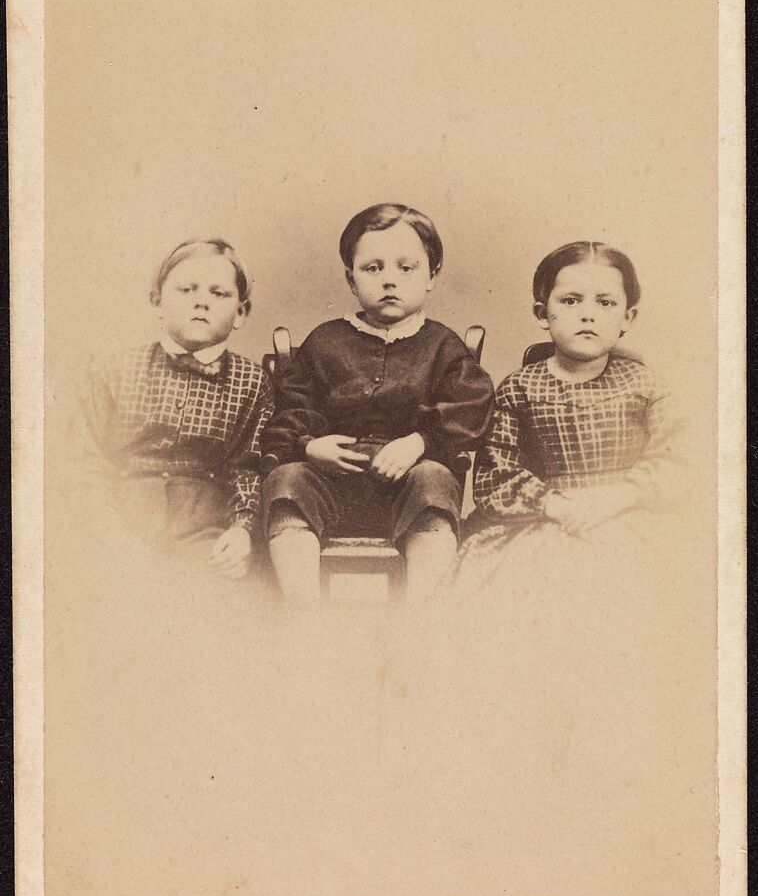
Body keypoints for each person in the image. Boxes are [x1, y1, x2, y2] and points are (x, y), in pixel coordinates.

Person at [260, 203, 494, 604]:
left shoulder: (443, 346)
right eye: (373, 268)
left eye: (406, 268)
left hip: (409, 485)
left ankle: (421, 614)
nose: (389, 281)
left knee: (435, 480)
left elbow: (469, 407)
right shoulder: (324, 342)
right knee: (286, 482)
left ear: (431, 276)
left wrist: (419, 442)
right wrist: (309, 446)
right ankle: (303, 612)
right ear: (351, 280)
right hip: (331, 485)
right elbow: (293, 407)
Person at [452, 241, 691, 605]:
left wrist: (620, 496)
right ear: (542, 312)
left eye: (606, 302)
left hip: (626, 514)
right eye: (570, 301)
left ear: (628, 317)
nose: (588, 315)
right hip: (544, 519)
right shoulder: (520, 387)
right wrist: (555, 505)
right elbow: (494, 475)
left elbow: (675, 460)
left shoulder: (646, 384)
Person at [74, 238, 274, 580]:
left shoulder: (252, 381)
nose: (201, 302)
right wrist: (106, 532)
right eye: (186, 289)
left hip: (206, 525)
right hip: (122, 516)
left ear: (241, 312)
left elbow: (248, 468)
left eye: (218, 293)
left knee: (221, 601)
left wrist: (241, 530)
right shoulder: (114, 369)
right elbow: (86, 461)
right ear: (157, 302)